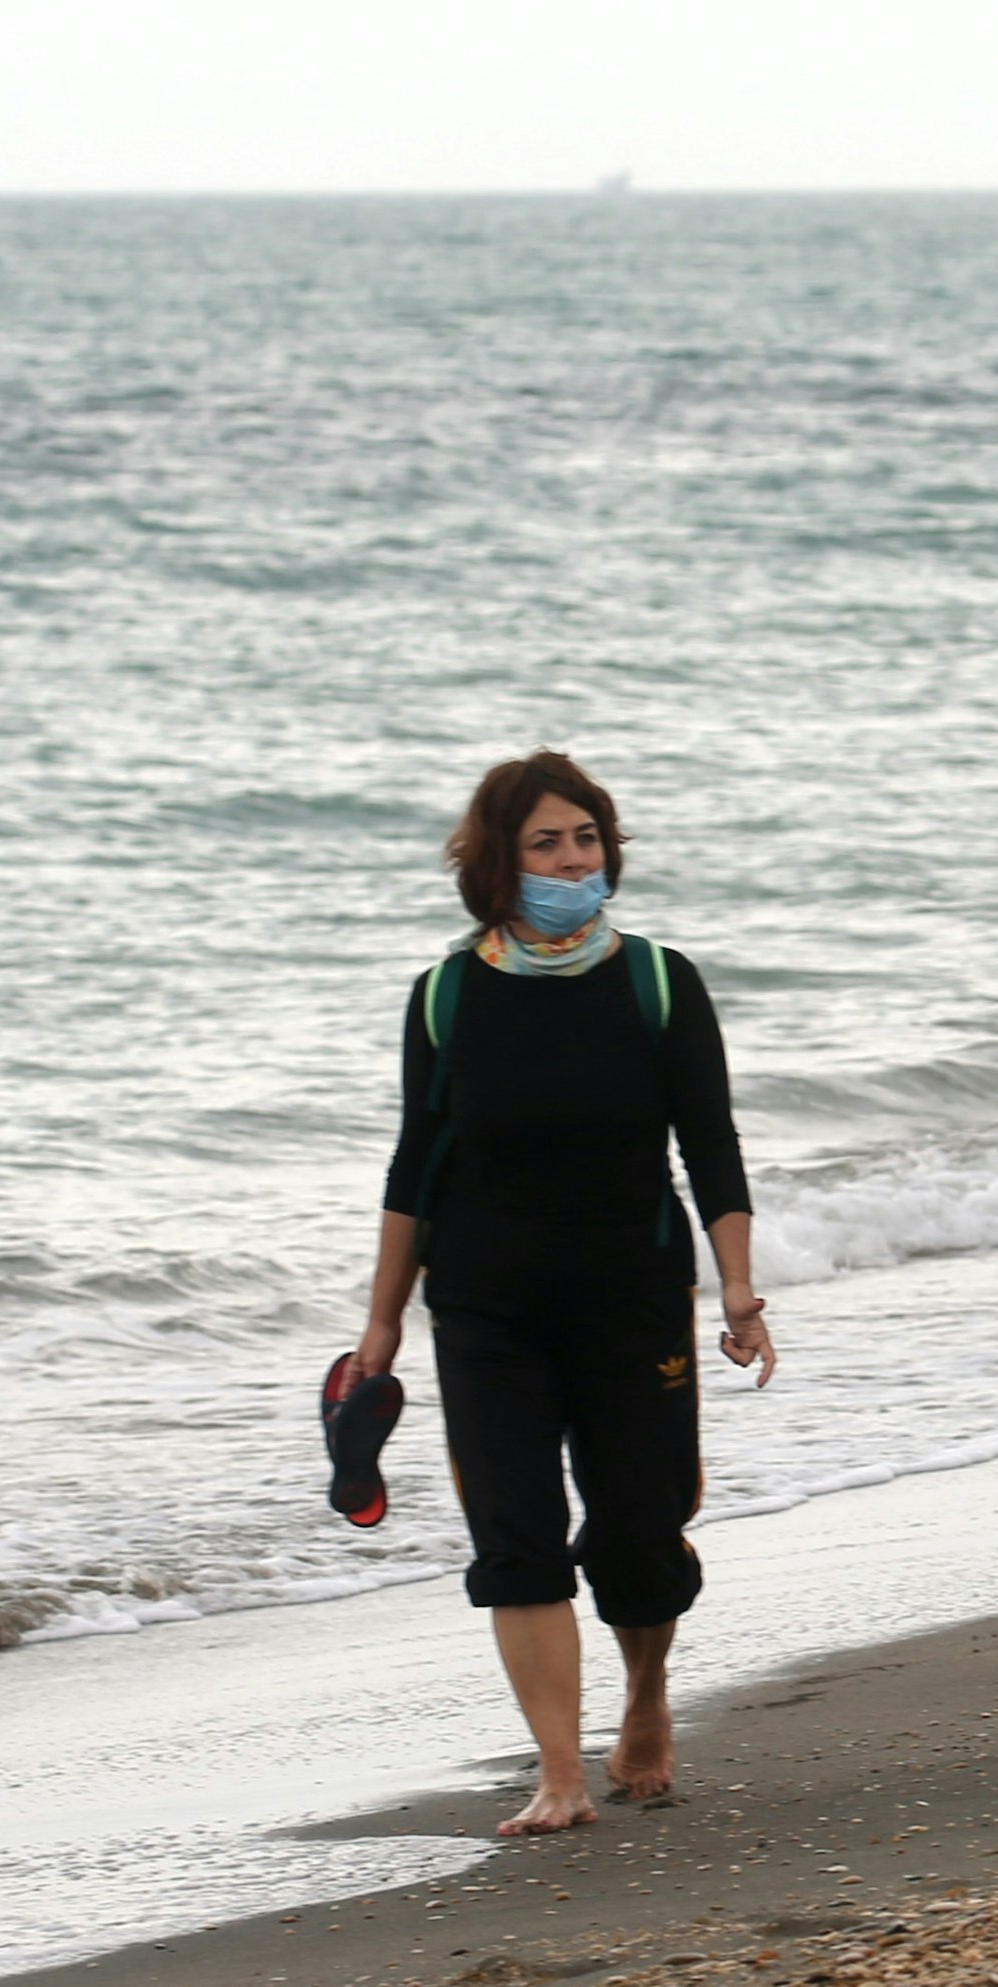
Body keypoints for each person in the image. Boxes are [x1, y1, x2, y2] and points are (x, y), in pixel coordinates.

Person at [349, 751, 773, 1836]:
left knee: (637, 1530)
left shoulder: (658, 981)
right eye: (546, 843)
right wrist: (383, 1319)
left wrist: (737, 1285)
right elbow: (417, 1164)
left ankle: (644, 1693)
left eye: (585, 839)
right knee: (517, 1538)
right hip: (486, 1307)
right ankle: (558, 1772)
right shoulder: (446, 994)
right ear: (500, 862)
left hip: (632, 1295)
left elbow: (709, 1143)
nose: (571, 859)